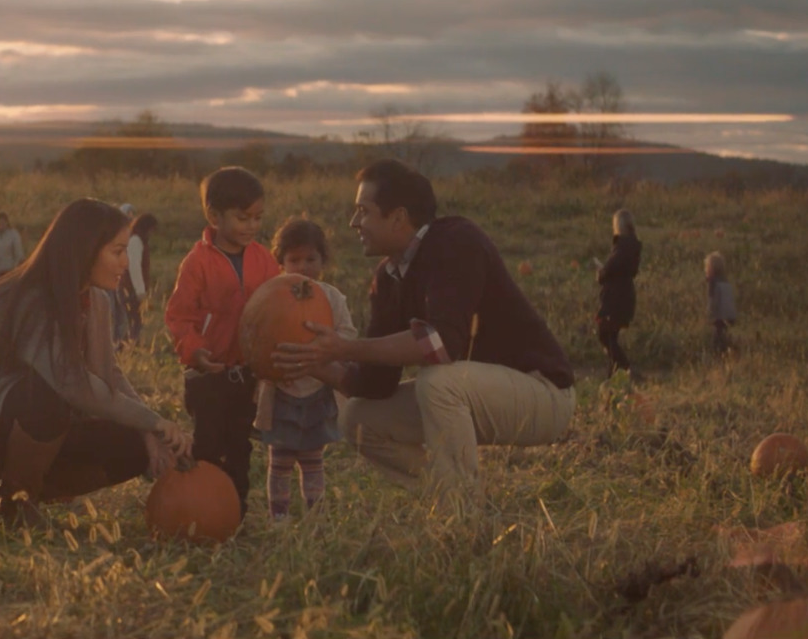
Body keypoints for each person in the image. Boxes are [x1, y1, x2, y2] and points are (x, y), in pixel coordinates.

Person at [273, 159, 574, 499]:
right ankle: (451, 495)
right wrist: (313, 362)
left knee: (438, 381)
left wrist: (343, 347)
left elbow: (440, 344)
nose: (353, 222)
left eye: (363, 211)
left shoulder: (456, 241)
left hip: (542, 394)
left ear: (398, 217)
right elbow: (374, 382)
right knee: (357, 419)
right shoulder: (388, 278)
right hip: (474, 394)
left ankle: (461, 511)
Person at [0, 199, 193, 534]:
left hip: (40, 424)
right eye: (117, 251)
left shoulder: (95, 302)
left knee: (133, 446)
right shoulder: (30, 300)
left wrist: (148, 430)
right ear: (85, 251)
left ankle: (33, 492)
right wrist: (153, 420)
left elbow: (110, 375)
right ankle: (16, 500)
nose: (125, 261)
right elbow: (73, 384)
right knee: (44, 399)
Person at [165, 167, 281, 518]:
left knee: (239, 446)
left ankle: (235, 512)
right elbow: (179, 316)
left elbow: (277, 305)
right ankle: (202, 511)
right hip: (208, 377)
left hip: (246, 373)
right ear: (214, 216)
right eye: (242, 217)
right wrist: (194, 351)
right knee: (209, 446)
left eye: (257, 217)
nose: (251, 226)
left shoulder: (263, 259)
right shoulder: (196, 263)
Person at [253, 219, 357, 522]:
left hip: (316, 391)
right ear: (281, 262)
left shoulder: (332, 298)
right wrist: (268, 366)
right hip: (281, 392)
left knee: (313, 459)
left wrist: (331, 350)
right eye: (294, 259)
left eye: (311, 259)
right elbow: (256, 337)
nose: (303, 266)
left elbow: (348, 336)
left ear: (323, 260)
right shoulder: (271, 296)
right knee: (280, 460)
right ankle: (279, 518)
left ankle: (316, 517)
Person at [596, 209, 642, 377]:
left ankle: (625, 368)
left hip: (615, 299)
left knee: (605, 335)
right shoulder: (632, 246)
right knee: (610, 336)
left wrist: (601, 273)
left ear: (617, 226)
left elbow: (609, 269)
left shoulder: (622, 246)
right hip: (624, 297)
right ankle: (613, 373)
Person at [116, 214, 159, 345]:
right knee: (133, 321)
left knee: (131, 320)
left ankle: (130, 346)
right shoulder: (136, 241)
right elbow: (134, 266)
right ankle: (131, 346)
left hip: (129, 288)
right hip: (130, 289)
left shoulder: (136, 240)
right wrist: (140, 290)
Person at [705, 251, 737, 355]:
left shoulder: (713, 283)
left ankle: (717, 356)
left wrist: (708, 317)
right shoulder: (726, 283)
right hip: (730, 316)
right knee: (724, 337)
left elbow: (712, 302)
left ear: (711, 269)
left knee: (716, 341)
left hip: (719, 317)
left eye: (707, 267)